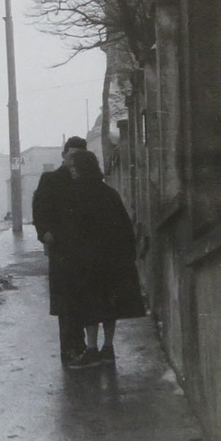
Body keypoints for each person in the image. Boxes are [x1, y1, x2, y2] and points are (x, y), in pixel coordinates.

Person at [60, 149, 146, 369]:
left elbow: (70, 231)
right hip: (112, 261)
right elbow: (125, 226)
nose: (71, 172)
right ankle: (108, 348)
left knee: (88, 306)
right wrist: (128, 255)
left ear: (81, 168)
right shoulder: (109, 193)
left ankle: (91, 349)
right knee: (110, 305)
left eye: (73, 167)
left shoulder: (74, 194)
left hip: (86, 262)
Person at [32, 135, 88, 362]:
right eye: (70, 155)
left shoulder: (87, 180)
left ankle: (82, 345)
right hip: (61, 249)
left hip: (84, 248)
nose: (73, 160)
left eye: (78, 156)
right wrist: (43, 232)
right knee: (65, 300)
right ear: (63, 156)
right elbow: (39, 209)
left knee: (84, 298)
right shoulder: (50, 179)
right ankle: (69, 346)